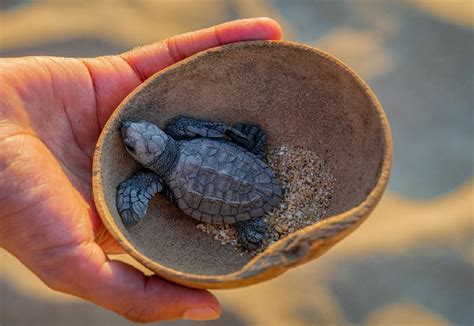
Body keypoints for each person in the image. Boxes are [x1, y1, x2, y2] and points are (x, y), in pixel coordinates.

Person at [0, 18, 282, 322]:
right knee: (235, 140)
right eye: (132, 142)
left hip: (237, 197)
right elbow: (217, 134)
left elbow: (133, 206)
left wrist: (130, 206)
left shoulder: (153, 175)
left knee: (245, 230)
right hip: (246, 166)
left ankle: (249, 228)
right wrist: (231, 134)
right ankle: (251, 182)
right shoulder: (180, 132)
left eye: (137, 137)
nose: (128, 129)